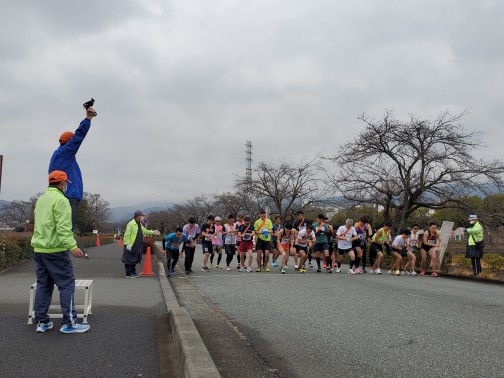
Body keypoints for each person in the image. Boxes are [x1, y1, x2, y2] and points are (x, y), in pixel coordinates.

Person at [31, 170, 89, 333]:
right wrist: (73, 247)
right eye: (66, 184)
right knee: (66, 285)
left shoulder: (41, 200)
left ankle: (42, 322)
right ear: (63, 183)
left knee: (44, 285)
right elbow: (63, 228)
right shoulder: (61, 200)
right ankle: (69, 323)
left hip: (39, 249)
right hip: (56, 250)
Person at [48, 105, 97, 233]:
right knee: (67, 231)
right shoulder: (66, 152)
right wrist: (88, 118)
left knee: (59, 231)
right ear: (68, 143)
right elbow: (78, 137)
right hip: (69, 196)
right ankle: (67, 252)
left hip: (60, 196)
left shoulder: (57, 156)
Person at [122, 211, 160, 277]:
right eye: (141, 216)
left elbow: (145, 231)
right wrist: (128, 244)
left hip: (137, 245)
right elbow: (127, 235)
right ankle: (128, 273)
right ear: (137, 216)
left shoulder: (139, 224)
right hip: (131, 245)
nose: (142, 217)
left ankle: (133, 272)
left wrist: (153, 232)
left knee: (135, 259)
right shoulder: (131, 224)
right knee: (129, 259)